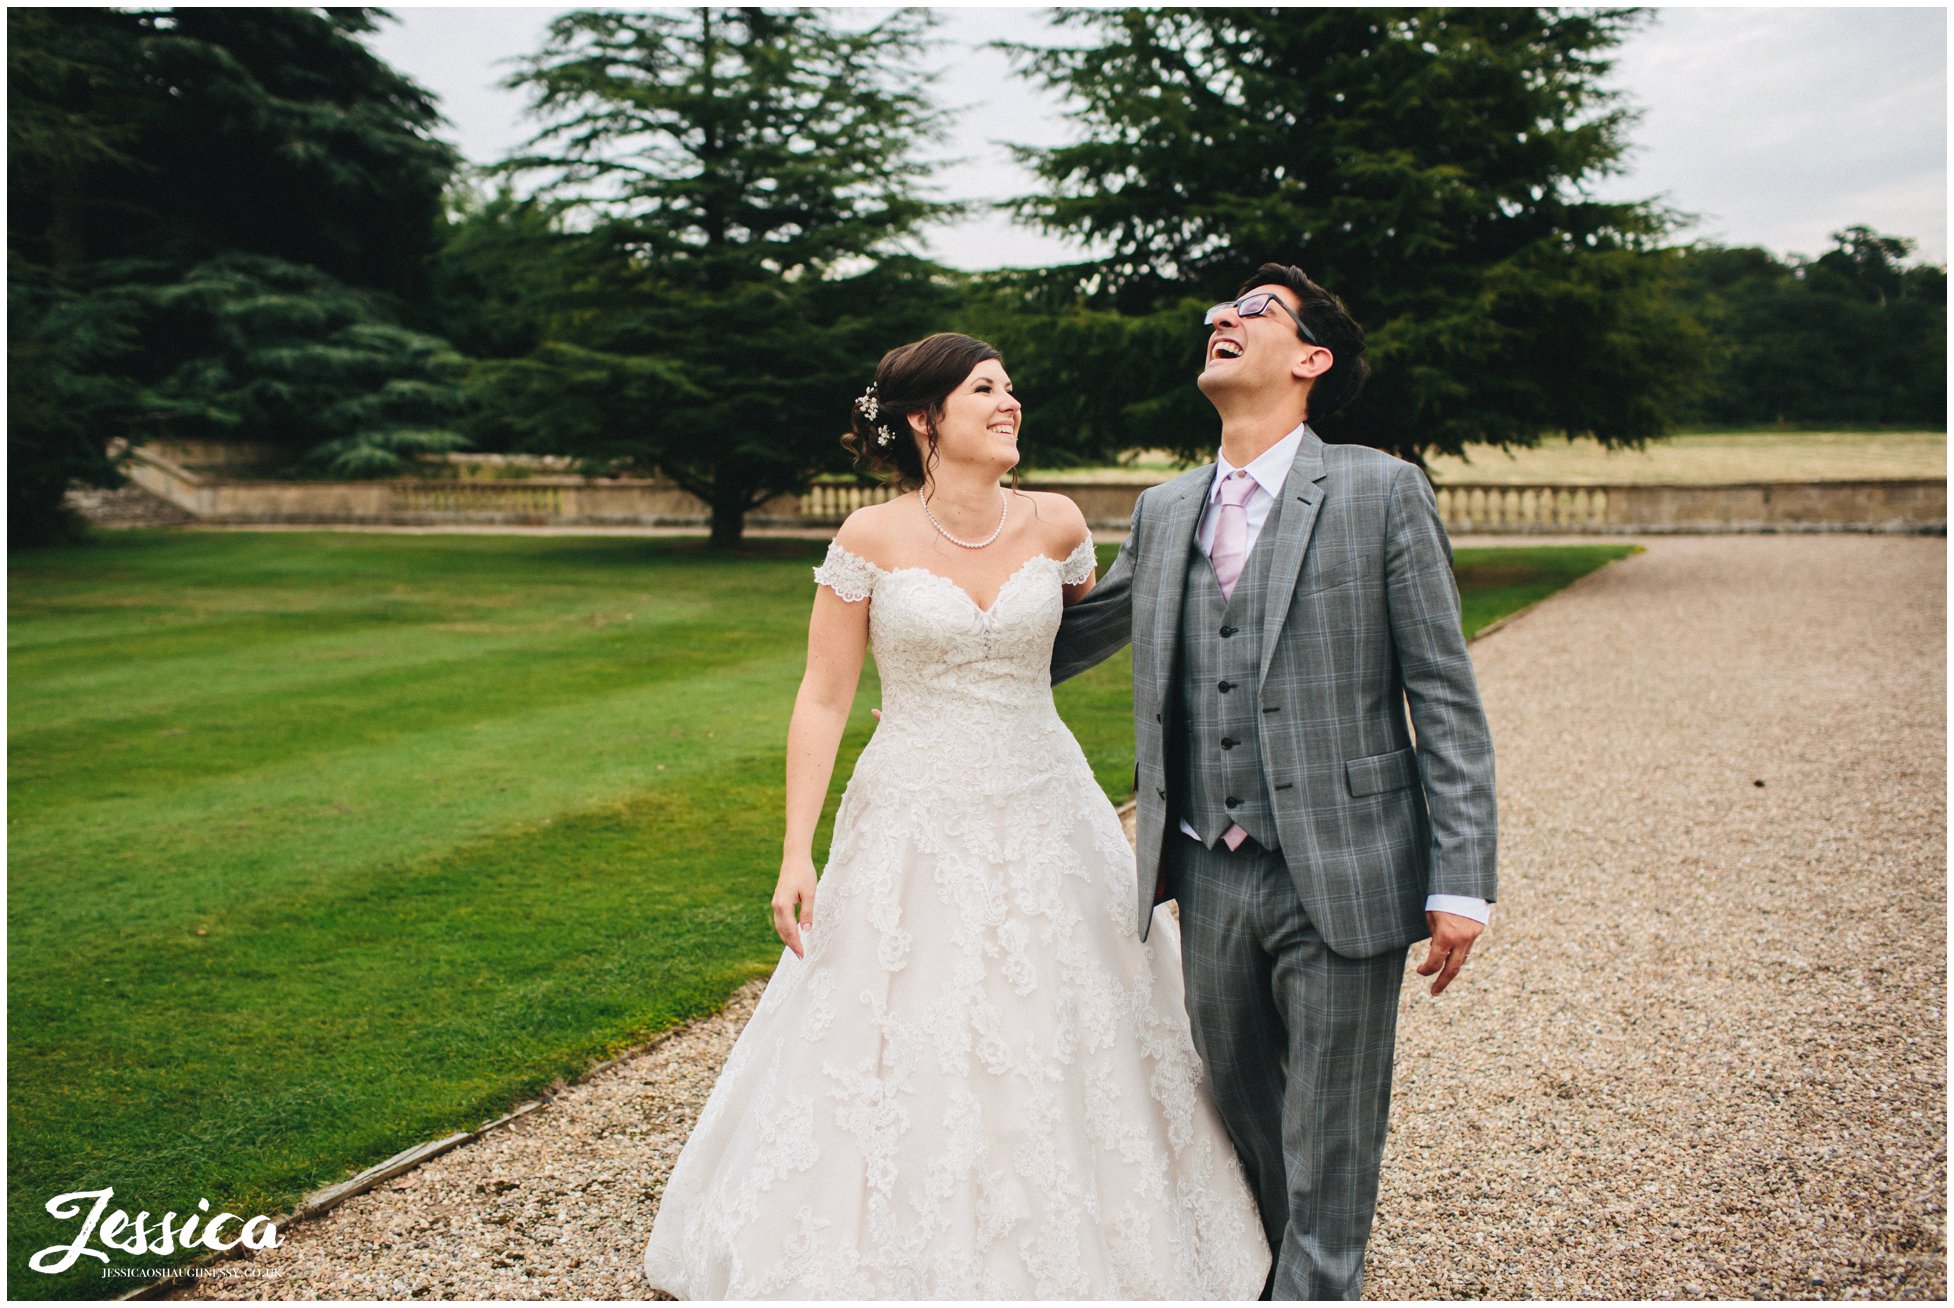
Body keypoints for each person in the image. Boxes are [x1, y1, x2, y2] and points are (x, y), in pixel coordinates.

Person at [641, 332, 1270, 1299]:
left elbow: (1084, 640)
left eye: (1012, 386)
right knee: (897, 1023)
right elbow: (823, 695)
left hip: (1048, 803)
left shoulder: (1060, 526)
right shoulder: (868, 540)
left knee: (1084, 1012)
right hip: (912, 812)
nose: (1010, 402)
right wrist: (794, 852)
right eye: (986, 389)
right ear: (926, 419)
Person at [1049, 264, 1499, 1300]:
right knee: (1244, 1106)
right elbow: (1078, 634)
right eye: (1220, 310)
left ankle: (1315, 1287)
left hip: (1344, 860)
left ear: (1310, 359)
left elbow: (1445, 692)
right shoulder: (1164, 510)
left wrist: (1460, 880)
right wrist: (955, 646)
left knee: (1332, 1119)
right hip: (1204, 865)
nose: (1223, 319)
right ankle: (1281, 1272)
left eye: (1254, 310)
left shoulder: (1381, 490)